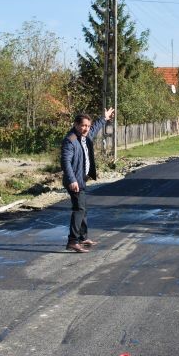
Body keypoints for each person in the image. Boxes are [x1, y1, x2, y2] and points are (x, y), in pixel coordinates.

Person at [61, 108, 114, 253]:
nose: (86, 128)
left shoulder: (85, 136)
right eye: (83, 125)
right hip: (74, 181)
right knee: (79, 209)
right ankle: (72, 241)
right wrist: (72, 180)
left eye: (88, 126)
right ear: (76, 125)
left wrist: (104, 118)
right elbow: (65, 162)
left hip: (81, 179)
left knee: (83, 209)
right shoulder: (70, 140)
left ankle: (82, 238)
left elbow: (95, 128)